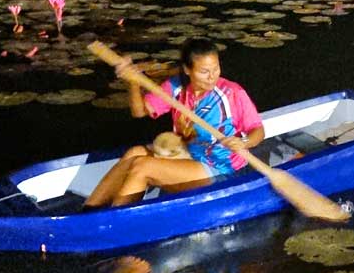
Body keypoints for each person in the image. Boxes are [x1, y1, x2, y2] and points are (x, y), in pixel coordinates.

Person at [83, 39, 265, 209]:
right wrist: (133, 83)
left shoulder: (231, 93)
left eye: (215, 69)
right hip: (187, 156)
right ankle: (88, 213)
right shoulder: (176, 87)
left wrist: (244, 142)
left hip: (221, 169)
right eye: (204, 71)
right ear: (187, 70)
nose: (212, 77)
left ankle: (115, 223)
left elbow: (257, 130)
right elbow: (140, 112)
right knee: (134, 153)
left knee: (143, 166)